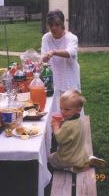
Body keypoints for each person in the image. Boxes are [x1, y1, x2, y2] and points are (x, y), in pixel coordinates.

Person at [41, 9, 82, 155]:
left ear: (62, 24)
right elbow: (44, 57)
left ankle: (75, 144)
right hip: (54, 80)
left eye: (57, 24)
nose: (53, 28)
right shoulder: (46, 38)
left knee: (71, 113)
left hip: (70, 79)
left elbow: (71, 53)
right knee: (55, 113)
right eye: (51, 25)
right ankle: (55, 143)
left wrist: (53, 52)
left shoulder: (71, 38)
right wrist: (44, 58)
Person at [49, 90, 105, 172]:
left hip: (67, 158)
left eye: (67, 109)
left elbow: (59, 139)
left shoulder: (68, 126)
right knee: (81, 156)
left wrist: (55, 126)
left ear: (78, 109)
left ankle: (71, 168)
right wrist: (62, 124)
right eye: (61, 108)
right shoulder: (79, 121)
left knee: (51, 158)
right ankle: (88, 160)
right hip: (80, 154)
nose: (63, 112)